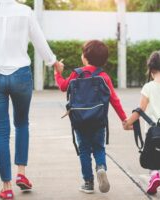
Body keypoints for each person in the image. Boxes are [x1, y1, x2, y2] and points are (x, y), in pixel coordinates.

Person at [0, 0, 63, 199]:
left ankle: (6, 187)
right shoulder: (25, 11)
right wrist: (53, 62)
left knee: (1, 131)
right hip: (21, 77)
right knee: (22, 124)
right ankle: (21, 174)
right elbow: (39, 41)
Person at [54, 40, 127, 194]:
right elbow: (114, 100)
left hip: (79, 121)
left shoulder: (76, 74)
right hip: (99, 121)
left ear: (85, 57)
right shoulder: (104, 76)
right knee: (99, 148)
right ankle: (101, 167)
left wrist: (57, 73)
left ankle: (88, 183)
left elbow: (63, 87)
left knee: (84, 150)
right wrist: (124, 119)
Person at [124, 50, 160, 195]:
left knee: (152, 153)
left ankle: (154, 174)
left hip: (152, 130)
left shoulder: (148, 87)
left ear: (151, 69)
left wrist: (128, 122)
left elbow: (141, 109)